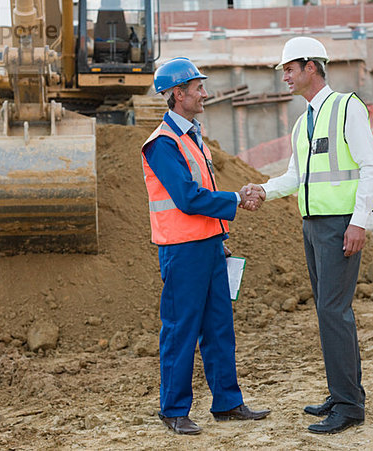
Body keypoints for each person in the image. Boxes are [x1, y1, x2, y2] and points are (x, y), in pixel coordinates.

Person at [243, 37, 373, 434]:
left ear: (310, 67)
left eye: (289, 68)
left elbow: (369, 166)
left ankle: (349, 406)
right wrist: (263, 191)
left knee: (333, 312)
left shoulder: (346, 108)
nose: (284, 75)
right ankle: (345, 393)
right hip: (313, 225)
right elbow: (295, 177)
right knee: (330, 311)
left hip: (340, 225)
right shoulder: (304, 122)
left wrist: (359, 222)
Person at [141, 57, 270, 435]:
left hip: (209, 246)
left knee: (218, 328)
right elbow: (186, 197)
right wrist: (236, 201)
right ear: (178, 94)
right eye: (198, 88)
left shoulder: (191, 137)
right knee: (181, 330)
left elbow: (202, 194)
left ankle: (227, 403)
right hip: (182, 251)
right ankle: (173, 410)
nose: (205, 93)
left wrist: (221, 238)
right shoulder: (162, 144)